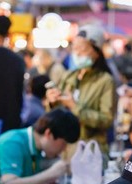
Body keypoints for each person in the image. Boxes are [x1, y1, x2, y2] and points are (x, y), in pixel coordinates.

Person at [0, 109, 80, 184]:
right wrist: (50, 174)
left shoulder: (36, 148)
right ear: (48, 133)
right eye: (63, 143)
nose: (64, 149)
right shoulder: (12, 143)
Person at [46, 24, 115, 152]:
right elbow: (55, 113)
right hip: (66, 148)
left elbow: (106, 120)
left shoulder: (105, 81)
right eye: (74, 48)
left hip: (92, 150)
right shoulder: (69, 76)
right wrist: (52, 102)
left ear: (97, 52)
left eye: (82, 49)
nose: (77, 53)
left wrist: (75, 107)